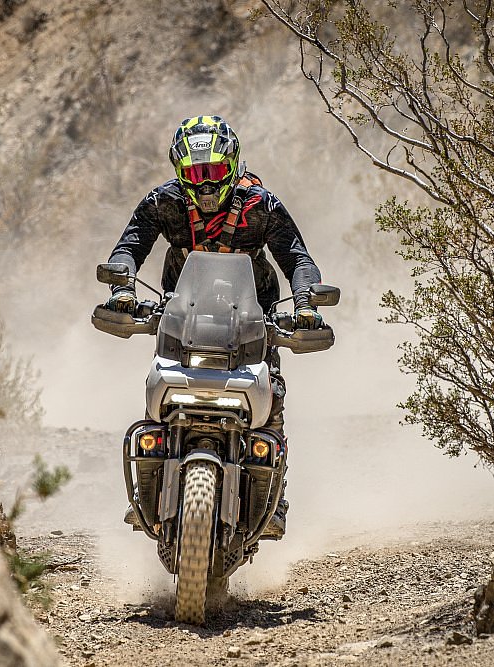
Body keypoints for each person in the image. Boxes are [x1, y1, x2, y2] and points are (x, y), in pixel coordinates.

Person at [103, 115, 326, 537]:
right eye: (195, 174)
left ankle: (273, 499)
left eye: (214, 173)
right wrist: (122, 289)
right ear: (179, 173)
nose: (205, 185)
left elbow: (298, 258)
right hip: (181, 319)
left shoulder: (260, 206)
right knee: (160, 390)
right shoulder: (163, 202)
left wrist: (305, 303)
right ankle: (149, 487)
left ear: (233, 166)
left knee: (271, 395)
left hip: (252, 321)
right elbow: (129, 246)